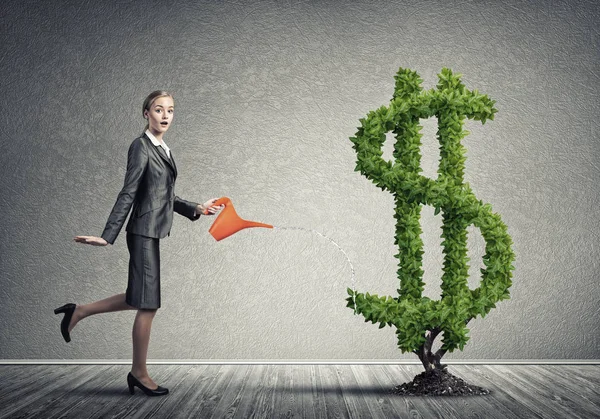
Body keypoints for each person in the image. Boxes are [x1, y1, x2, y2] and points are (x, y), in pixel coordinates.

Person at [54, 90, 223, 397]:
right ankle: (139, 373)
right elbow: (129, 192)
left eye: (170, 110)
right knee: (148, 303)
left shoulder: (164, 149)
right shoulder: (141, 146)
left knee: (139, 297)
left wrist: (196, 208)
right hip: (142, 232)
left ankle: (78, 311)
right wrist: (107, 235)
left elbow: (163, 195)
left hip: (152, 231)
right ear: (146, 113)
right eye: (159, 109)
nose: (166, 115)